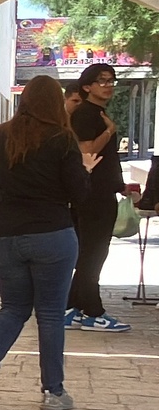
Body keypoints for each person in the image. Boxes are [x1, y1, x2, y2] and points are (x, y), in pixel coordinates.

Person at [0, 76, 92, 410]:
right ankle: (53, 392)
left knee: (13, 307)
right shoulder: (62, 139)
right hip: (52, 234)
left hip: (5, 236)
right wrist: (86, 170)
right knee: (50, 314)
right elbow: (79, 193)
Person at [64, 63, 140, 332]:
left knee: (91, 252)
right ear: (87, 86)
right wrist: (109, 131)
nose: (108, 86)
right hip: (92, 195)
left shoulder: (96, 112)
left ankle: (71, 309)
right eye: (102, 81)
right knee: (93, 254)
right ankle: (92, 312)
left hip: (100, 192)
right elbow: (87, 151)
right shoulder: (87, 114)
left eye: (111, 81)